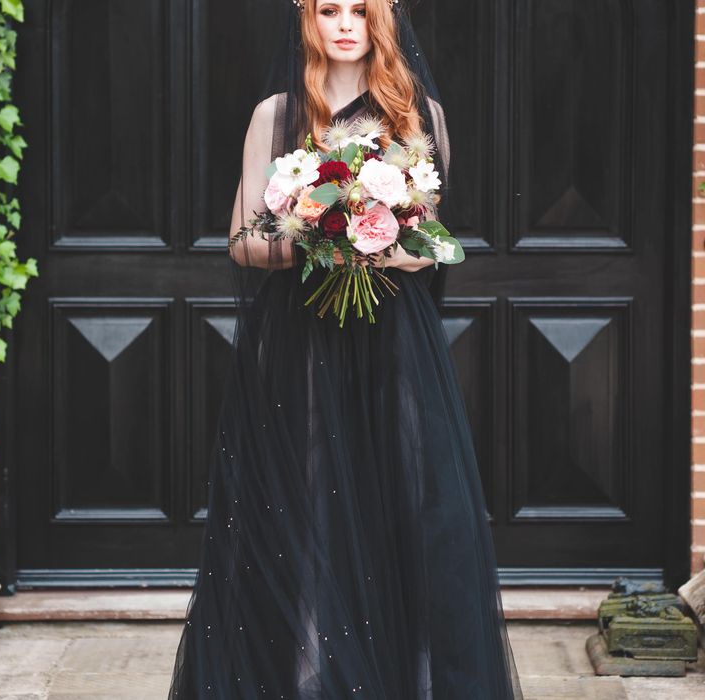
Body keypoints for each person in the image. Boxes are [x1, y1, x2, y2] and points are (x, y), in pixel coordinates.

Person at [168, 1, 522, 697]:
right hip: (301, 341)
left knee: (412, 505)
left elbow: (435, 246)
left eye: (360, 9)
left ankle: (411, 682)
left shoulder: (417, 114)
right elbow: (242, 241)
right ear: (309, 19)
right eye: (329, 8)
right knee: (305, 503)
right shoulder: (277, 115)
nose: (344, 23)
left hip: (394, 340)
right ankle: (306, 679)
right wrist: (318, 234)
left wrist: (383, 243)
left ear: (382, 20)